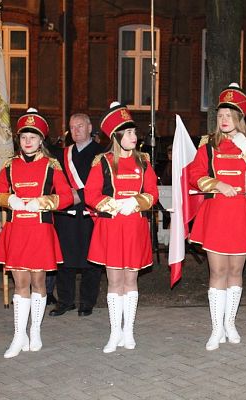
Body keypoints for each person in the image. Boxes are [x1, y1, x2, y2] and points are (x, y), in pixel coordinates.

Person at [188, 83, 246, 351]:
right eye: (220, 115)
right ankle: (215, 329)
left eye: (228, 115)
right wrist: (216, 184)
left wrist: (245, 147)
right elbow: (194, 173)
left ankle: (230, 324)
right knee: (218, 271)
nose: (223, 120)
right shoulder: (208, 143)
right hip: (216, 214)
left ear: (239, 118)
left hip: (242, 213)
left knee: (236, 271)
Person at [0, 108, 73, 358]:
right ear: (19, 139)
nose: (28, 141)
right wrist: (10, 199)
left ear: (41, 140)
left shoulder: (51, 165)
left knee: (38, 282)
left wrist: (44, 202)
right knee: (20, 283)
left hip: (39, 230)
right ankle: (19, 335)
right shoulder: (9, 165)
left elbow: (67, 196)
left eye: (33, 137)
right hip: (17, 230)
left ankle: (35, 330)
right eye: (24, 136)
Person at [84, 102, 158, 353]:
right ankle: (115, 331)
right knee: (114, 280)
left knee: (131, 279)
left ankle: (129, 331)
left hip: (134, 225)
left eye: (134, 133)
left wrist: (134, 203)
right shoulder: (102, 161)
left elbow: (152, 193)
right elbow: (91, 194)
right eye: (129, 134)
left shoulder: (144, 161)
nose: (134, 137)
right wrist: (115, 205)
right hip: (112, 226)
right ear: (117, 136)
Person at [49, 113, 105, 317]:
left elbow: (104, 183)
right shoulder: (62, 155)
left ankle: (86, 303)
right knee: (64, 260)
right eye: (72, 127)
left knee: (92, 260)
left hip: (90, 212)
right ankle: (65, 301)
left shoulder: (102, 153)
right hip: (66, 213)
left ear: (90, 127)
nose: (76, 130)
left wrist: (80, 195)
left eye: (80, 126)